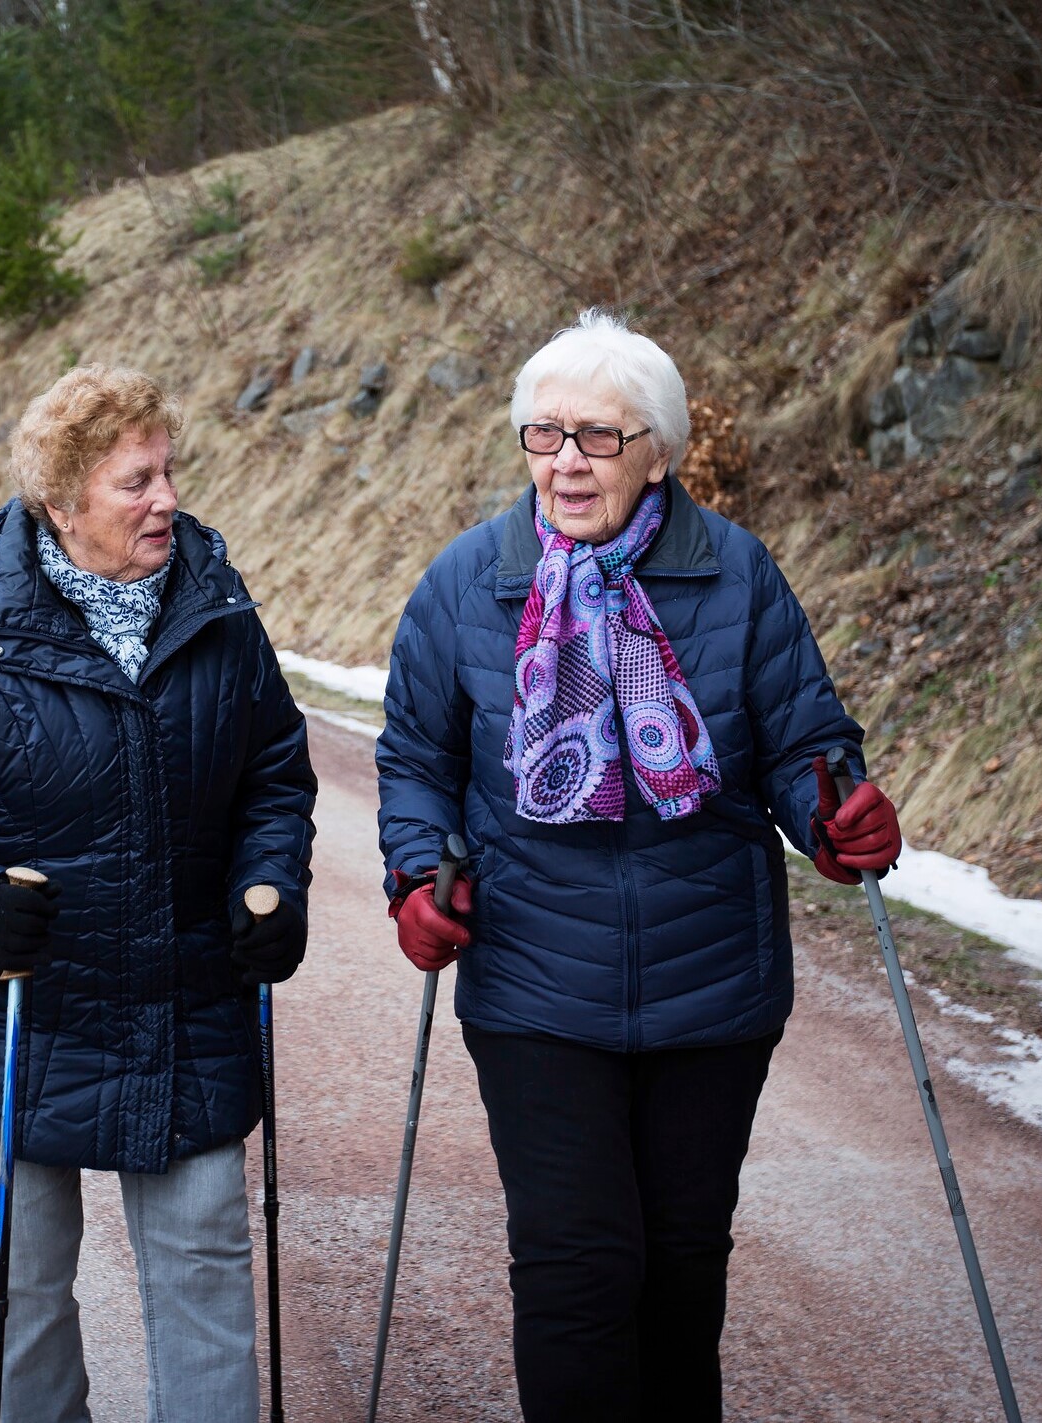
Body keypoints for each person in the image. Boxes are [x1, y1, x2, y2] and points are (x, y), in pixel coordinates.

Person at [375, 309, 902, 1420]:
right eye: (543, 434)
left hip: (709, 983)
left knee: (677, 1273)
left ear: (656, 449)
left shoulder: (736, 576)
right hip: (533, 981)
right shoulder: (467, 583)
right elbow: (416, 757)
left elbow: (805, 738)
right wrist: (417, 872)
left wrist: (836, 814)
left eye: (598, 437)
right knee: (574, 1271)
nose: (566, 461)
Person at [0, 364, 316, 1422]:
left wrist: (269, 886)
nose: (165, 500)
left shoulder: (217, 610)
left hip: (181, 1011)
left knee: (204, 1283)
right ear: (60, 505)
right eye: (133, 481)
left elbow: (272, 777)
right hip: (10, 1021)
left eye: (167, 472)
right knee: (24, 1303)